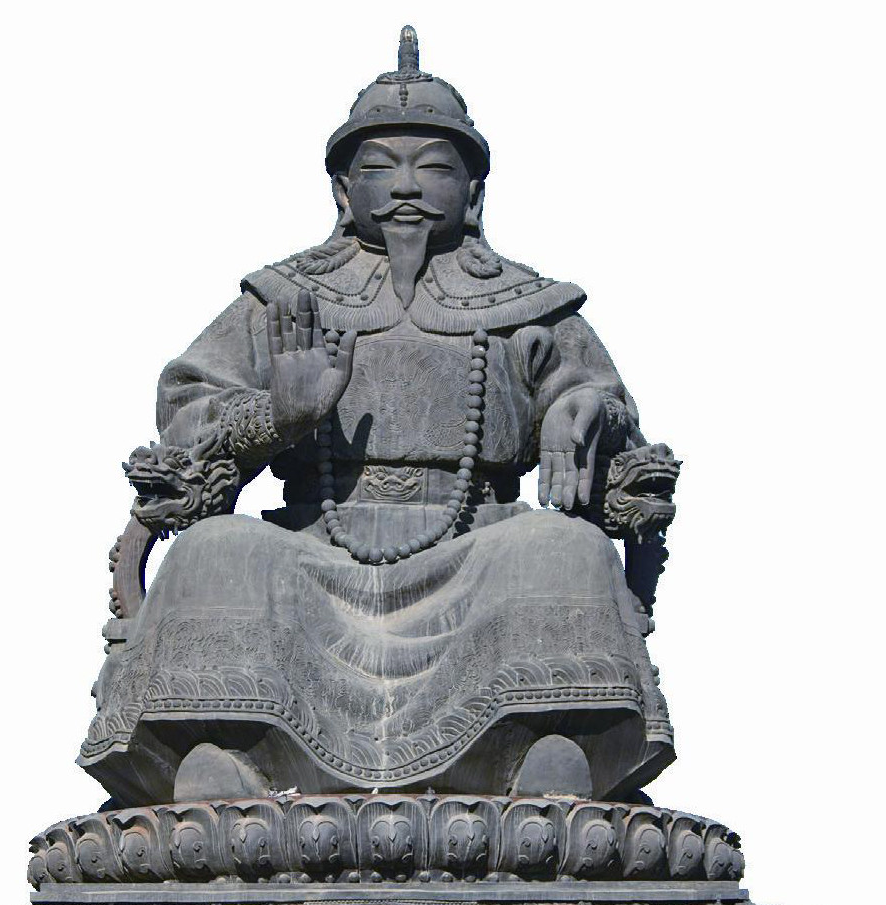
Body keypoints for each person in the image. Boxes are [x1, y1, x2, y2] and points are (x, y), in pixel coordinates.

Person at [79, 27, 678, 805]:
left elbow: (614, 423)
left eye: (433, 167)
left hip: (476, 543)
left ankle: (540, 747)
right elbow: (186, 421)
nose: (404, 186)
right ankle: (236, 759)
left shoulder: (530, 307)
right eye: (378, 167)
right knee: (215, 551)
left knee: (564, 549)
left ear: (474, 191)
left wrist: (582, 412)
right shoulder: (283, 301)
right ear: (341, 190)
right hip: (317, 543)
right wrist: (277, 414)